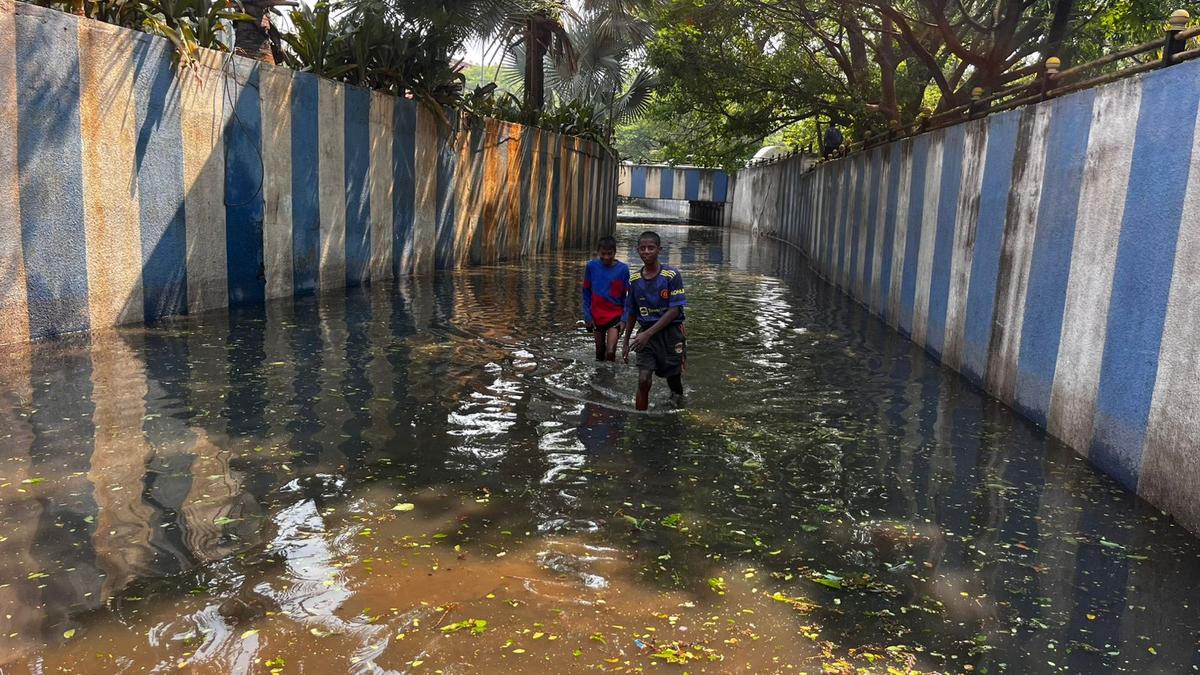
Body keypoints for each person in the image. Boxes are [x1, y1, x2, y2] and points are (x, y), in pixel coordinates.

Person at [622, 231, 687, 410]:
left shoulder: (671, 275)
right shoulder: (634, 279)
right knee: (643, 380)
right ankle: (640, 420)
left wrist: (648, 334)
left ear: (659, 250)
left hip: (671, 333)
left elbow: (675, 310)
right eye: (642, 248)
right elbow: (632, 311)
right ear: (637, 250)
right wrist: (626, 341)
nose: (646, 252)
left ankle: (678, 408)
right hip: (645, 335)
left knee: (674, 380)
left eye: (651, 248)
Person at [582, 236, 630, 361]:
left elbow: (627, 297)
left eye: (610, 254)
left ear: (615, 252)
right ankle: (600, 378)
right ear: (598, 252)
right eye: (603, 254)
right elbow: (586, 292)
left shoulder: (623, 269)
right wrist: (587, 315)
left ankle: (610, 378)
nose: (607, 257)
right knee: (599, 353)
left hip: (615, 316)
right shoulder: (591, 267)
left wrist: (624, 319)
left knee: (610, 353)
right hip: (597, 316)